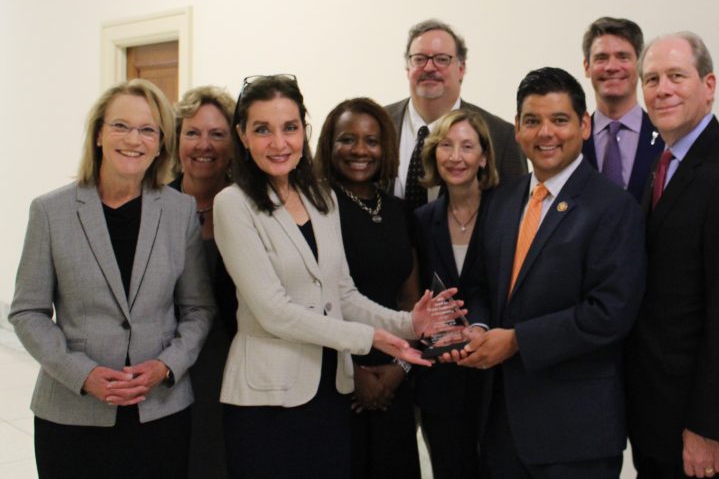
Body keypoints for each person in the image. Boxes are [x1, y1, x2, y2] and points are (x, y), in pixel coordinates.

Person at [213, 75, 451, 477]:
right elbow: (274, 313)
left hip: (329, 392)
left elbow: (343, 293)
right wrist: (369, 338)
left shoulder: (320, 198)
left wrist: (408, 323)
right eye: (262, 130)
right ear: (242, 135)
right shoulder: (232, 204)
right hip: (266, 398)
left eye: (289, 128)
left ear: (303, 130)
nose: (278, 142)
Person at [10, 78, 215, 478]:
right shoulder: (51, 211)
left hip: (159, 411)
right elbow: (27, 311)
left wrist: (165, 365)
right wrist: (81, 374)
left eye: (147, 129)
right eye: (121, 125)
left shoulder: (179, 212)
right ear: (99, 133)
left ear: (160, 144)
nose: (133, 139)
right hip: (71, 413)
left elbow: (198, 308)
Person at [451, 67, 646, 478]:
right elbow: (483, 285)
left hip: (574, 434)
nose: (546, 133)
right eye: (532, 121)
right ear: (517, 130)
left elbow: (610, 312)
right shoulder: (501, 201)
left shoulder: (614, 207)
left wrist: (519, 340)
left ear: (585, 125)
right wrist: (479, 327)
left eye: (560, 120)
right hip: (501, 427)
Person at [625, 32, 719, 479]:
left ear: (709, 85)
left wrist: (709, 427)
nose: (662, 89)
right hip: (658, 415)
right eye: (652, 79)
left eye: (676, 76)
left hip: (704, 430)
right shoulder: (659, 164)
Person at [313, 97, 422, 478]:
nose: (360, 150)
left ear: (385, 147)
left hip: (395, 377)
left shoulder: (398, 211)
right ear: (329, 145)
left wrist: (399, 370)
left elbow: (410, 301)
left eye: (371, 140)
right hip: (335, 382)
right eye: (347, 139)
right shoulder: (314, 207)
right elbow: (314, 303)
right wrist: (353, 372)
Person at [414, 108, 501, 479]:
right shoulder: (421, 219)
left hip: (497, 373)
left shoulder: (508, 210)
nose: (456, 156)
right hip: (441, 377)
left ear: (483, 157)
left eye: (467, 146)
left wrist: (479, 326)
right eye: (446, 145)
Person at [168, 84, 237, 479]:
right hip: (168, 363)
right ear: (176, 140)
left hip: (230, 362)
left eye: (217, 134)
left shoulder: (248, 206)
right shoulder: (155, 204)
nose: (203, 145)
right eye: (192, 133)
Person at [385, 18, 526, 209]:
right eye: (419, 59)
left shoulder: (501, 136)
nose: (429, 67)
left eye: (442, 59)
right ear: (408, 68)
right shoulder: (379, 124)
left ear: (461, 69)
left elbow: (515, 213)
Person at [581, 17, 664, 202]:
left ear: (640, 64)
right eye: (601, 58)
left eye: (623, 57)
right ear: (587, 67)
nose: (611, 67)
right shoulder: (573, 141)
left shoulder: (667, 138)